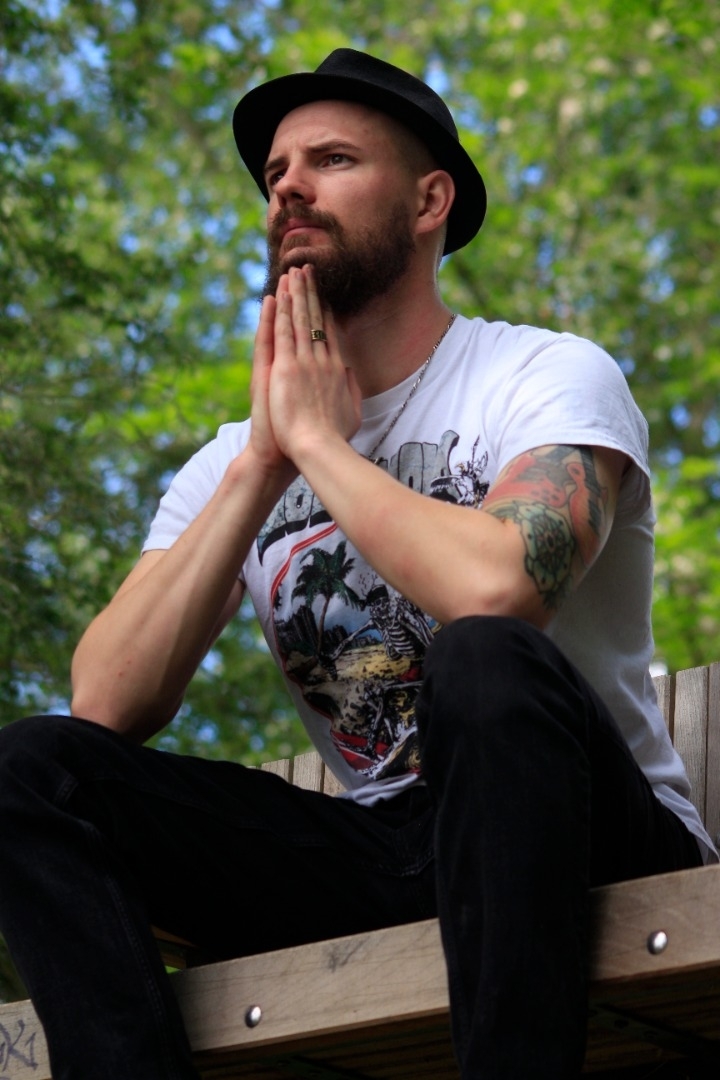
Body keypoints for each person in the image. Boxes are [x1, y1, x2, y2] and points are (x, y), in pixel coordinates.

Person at [0, 48, 715, 1080]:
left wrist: (320, 447)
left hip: (592, 836)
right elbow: (103, 702)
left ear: (430, 201)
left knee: (482, 656)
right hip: (390, 856)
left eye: (331, 160)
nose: (288, 186)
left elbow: (498, 589)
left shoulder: (544, 374)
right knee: (32, 770)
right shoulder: (237, 459)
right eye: (276, 172)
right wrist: (265, 460)